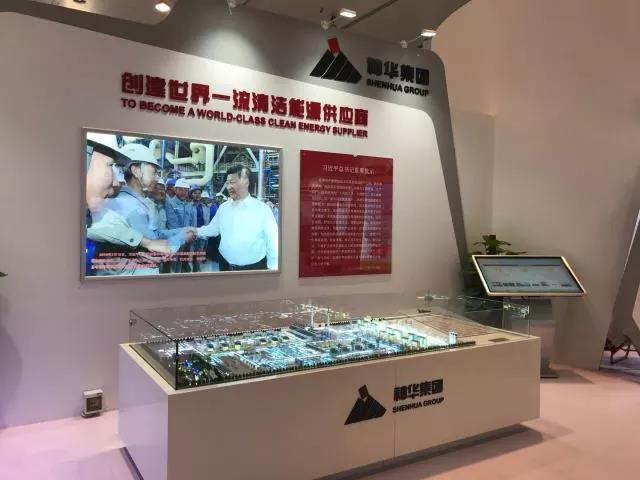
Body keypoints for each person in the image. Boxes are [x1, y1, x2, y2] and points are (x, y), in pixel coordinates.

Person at [85, 133, 171, 276]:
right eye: (109, 165)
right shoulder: (123, 204)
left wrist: (143, 247)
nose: (116, 182)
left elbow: (98, 223)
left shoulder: (145, 203)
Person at [102, 144, 195, 275]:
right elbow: (155, 251)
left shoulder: (140, 202)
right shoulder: (130, 207)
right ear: (136, 171)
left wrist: (181, 230)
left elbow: (155, 235)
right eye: (154, 172)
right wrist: (183, 237)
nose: (157, 178)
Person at [197, 164, 278, 271]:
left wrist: (273, 267)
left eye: (232, 182)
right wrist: (196, 231)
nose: (228, 187)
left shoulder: (262, 209)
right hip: (225, 265)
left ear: (246, 182)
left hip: (254, 268)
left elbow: (272, 240)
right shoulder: (223, 208)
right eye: (227, 183)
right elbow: (214, 228)